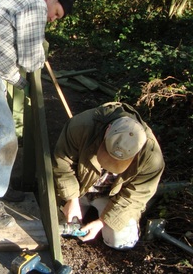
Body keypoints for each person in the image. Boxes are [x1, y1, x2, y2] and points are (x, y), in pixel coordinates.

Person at [0, 0, 80, 229]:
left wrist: (22, 81)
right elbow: (29, 58)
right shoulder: (34, 4)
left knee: (6, 131)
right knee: (5, 132)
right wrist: (39, 56)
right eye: (56, 13)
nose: (53, 19)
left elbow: (3, 56)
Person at [53, 102, 165, 249]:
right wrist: (71, 198)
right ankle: (82, 208)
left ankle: (99, 219)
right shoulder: (81, 126)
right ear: (107, 131)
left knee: (121, 242)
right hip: (79, 187)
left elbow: (136, 196)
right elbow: (62, 163)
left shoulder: (151, 157)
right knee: (58, 226)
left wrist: (103, 222)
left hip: (112, 197)